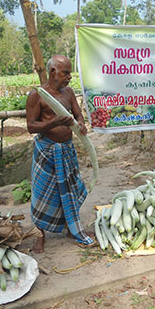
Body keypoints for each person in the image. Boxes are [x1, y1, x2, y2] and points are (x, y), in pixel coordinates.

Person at [26, 55, 95, 253]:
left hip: (66, 149)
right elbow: (31, 126)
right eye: (66, 73)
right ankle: (40, 234)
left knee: (70, 189)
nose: (69, 77)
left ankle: (70, 228)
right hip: (47, 150)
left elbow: (78, 114)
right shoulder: (37, 95)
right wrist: (54, 123)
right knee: (42, 193)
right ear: (53, 71)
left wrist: (81, 123)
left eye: (70, 73)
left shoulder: (69, 93)